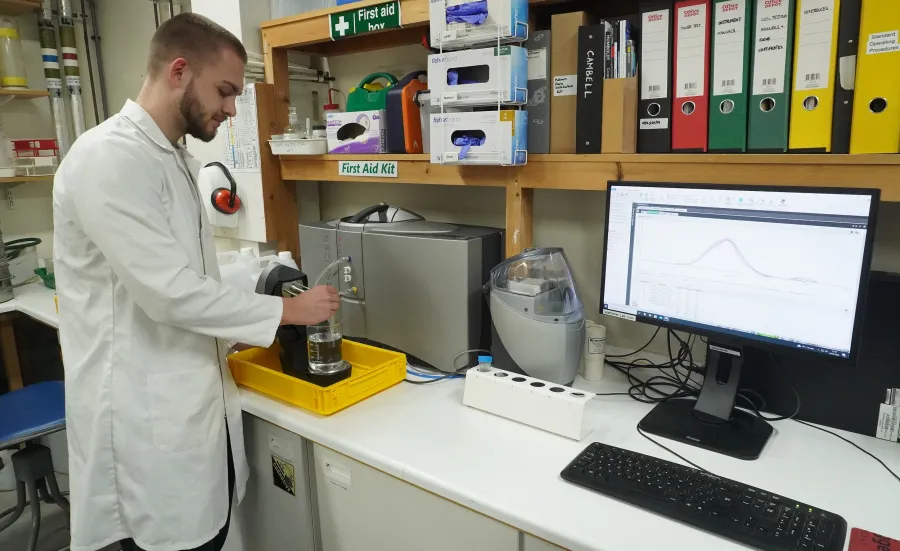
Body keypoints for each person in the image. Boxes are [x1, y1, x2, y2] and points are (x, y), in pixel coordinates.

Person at [52, 13, 338, 551]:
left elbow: (192, 272)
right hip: (141, 430)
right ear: (179, 70)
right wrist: (285, 314)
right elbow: (168, 292)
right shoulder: (108, 158)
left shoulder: (175, 159)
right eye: (226, 92)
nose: (232, 110)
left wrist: (262, 281)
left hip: (187, 414)